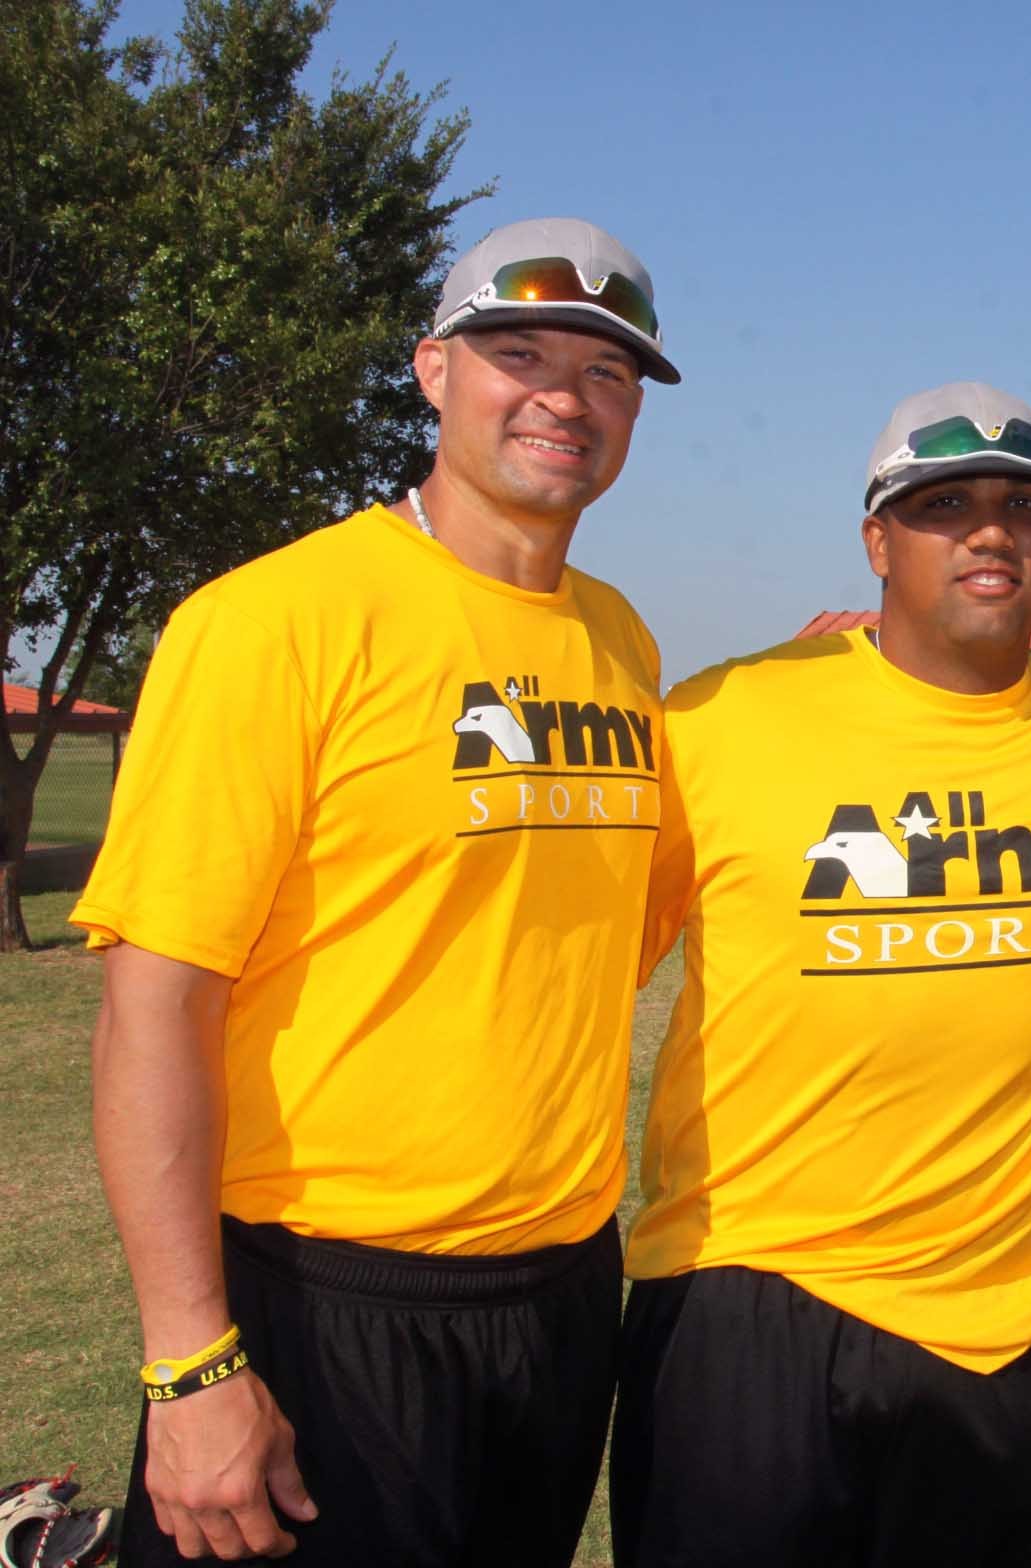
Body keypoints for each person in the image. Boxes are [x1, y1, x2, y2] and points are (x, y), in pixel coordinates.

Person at [76, 216, 678, 1566]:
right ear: (432, 370)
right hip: (324, 1297)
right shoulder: (272, 622)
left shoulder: (621, 640)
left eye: (607, 373)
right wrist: (188, 1363)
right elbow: (155, 1005)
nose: (562, 398)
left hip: (562, 1290)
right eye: (517, 353)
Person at [609, 382, 1031, 1567]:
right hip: (748, 1295)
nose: (992, 530)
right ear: (877, 539)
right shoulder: (721, 719)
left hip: (998, 1322)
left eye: (1024, 504)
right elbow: (562, 952)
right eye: (944, 504)